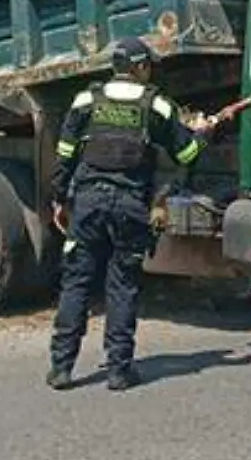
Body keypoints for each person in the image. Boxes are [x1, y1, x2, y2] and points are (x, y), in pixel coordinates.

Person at [47, 37, 234, 392]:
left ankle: (61, 367)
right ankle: (119, 370)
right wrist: (206, 133)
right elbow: (187, 154)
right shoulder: (158, 105)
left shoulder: (86, 100)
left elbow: (65, 154)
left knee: (77, 283)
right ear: (141, 67)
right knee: (123, 286)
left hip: (88, 203)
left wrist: (59, 199)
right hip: (130, 206)